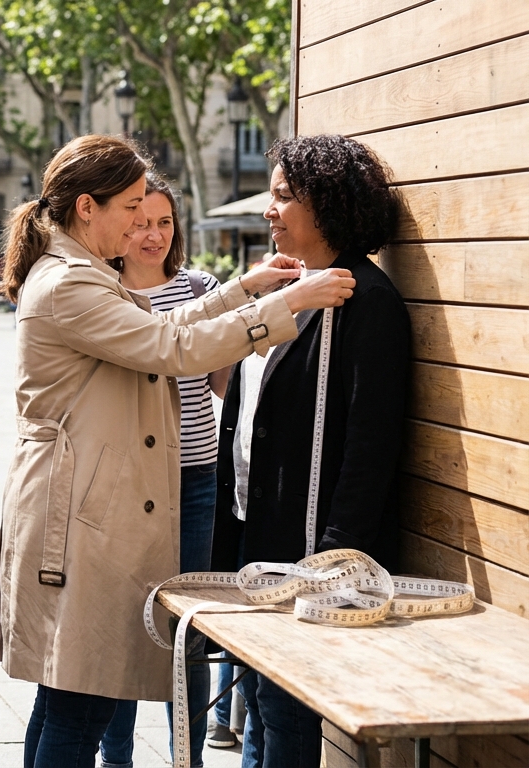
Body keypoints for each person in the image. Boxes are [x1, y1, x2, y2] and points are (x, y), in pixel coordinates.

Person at [0, 134, 357, 768]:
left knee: (67, 705)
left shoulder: (79, 272)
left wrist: (242, 290)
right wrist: (286, 303)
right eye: (132, 205)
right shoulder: (68, 284)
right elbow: (172, 348)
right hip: (77, 518)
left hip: (83, 510)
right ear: (88, 207)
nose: (142, 221)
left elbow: (162, 324)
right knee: (78, 710)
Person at [211, 134, 409, 768]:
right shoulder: (287, 289)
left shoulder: (365, 302)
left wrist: (335, 554)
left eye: (282, 197)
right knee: (260, 710)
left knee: (284, 715)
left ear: (325, 205)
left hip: (308, 554)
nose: (269, 210)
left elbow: (370, 444)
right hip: (256, 530)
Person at [97, 174, 228, 768]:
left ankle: (189, 758)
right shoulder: (103, 294)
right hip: (131, 482)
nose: (153, 235)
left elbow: (225, 385)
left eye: (165, 223)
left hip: (197, 479)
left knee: (189, 631)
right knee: (127, 626)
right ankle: (116, 757)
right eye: (141, 222)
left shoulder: (203, 287)